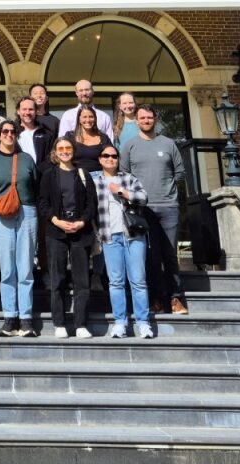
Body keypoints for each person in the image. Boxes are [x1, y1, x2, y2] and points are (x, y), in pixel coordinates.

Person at [121, 105, 188, 315]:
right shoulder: (130, 146)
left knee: (170, 254)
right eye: (142, 118)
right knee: (151, 255)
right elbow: (124, 175)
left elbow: (180, 172)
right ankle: (156, 298)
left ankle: (176, 298)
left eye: (150, 117)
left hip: (168, 207)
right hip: (143, 210)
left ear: (155, 119)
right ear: (137, 121)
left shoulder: (168, 143)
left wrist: (167, 189)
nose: (146, 121)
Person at [0, 120, 40, 337]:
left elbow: (34, 185)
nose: (8, 135)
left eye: (12, 131)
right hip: (0, 214)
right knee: (7, 269)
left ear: (17, 135)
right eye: (5, 131)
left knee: (25, 267)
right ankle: (10, 317)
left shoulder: (26, 159)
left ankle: (26, 318)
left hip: (26, 212)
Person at [38, 138, 97, 338]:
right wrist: (56, 220)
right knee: (58, 279)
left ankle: (81, 324)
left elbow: (92, 204)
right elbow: (43, 203)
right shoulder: (48, 175)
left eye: (68, 148)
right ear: (56, 151)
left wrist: (82, 222)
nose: (64, 151)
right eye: (61, 148)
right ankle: (60, 323)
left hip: (81, 231)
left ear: (73, 151)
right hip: (56, 232)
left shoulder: (83, 174)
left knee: (82, 280)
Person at [93, 145, 152, 338]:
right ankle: (120, 322)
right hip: (110, 236)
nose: (110, 158)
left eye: (113, 156)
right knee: (116, 282)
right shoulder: (95, 181)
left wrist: (121, 192)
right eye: (106, 156)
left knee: (138, 281)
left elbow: (144, 198)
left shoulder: (128, 178)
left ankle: (143, 322)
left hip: (134, 235)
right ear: (100, 159)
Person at [68, 104, 112, 175]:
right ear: (79, 119)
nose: (88, 120)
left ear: (95, 119)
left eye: (91, 117)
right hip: (76, 177)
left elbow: (111, 157)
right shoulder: (70, 137)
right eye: (84, 117)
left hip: (99, 178)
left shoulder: (104, 138)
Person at [13, 96, 54, 168]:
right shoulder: (12, 133)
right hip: (19, 175)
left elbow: (50, 158)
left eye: (31, 109)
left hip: (42, 176)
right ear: (18, 111)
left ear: (36, 111)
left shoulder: (46, 134)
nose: (27, 112)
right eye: (24, 109)